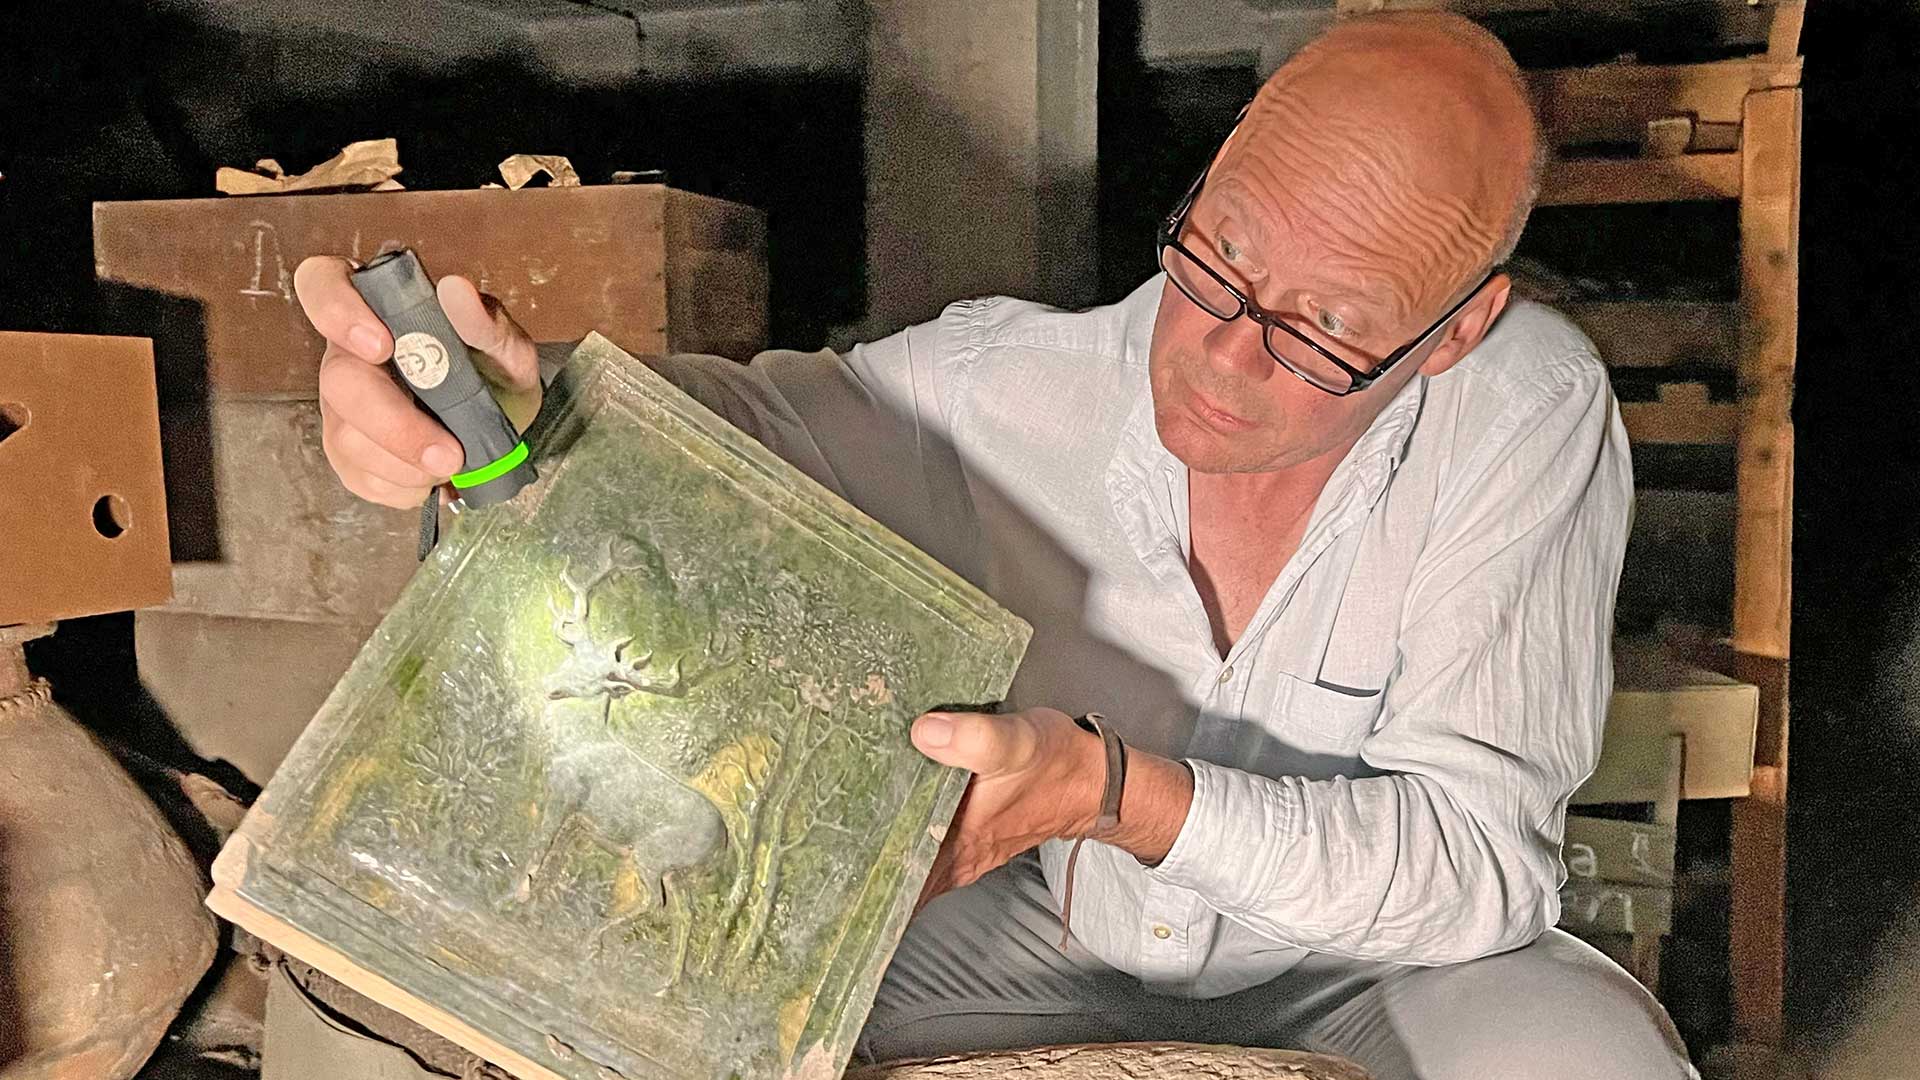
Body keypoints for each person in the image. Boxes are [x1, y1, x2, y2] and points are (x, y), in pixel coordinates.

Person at [296, 12, 1694, 1079]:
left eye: (1322, 331)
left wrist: (1113, 793)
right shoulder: (1011, 382)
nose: (1218, 357)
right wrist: (491, 420)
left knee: (1589, 1059)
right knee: (633, 993)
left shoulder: (1523, 408)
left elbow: (1473, 867)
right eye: (1216, 259)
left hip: (1371, 956)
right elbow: (712, 430)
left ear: (1454, 328)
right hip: (1042, 927)